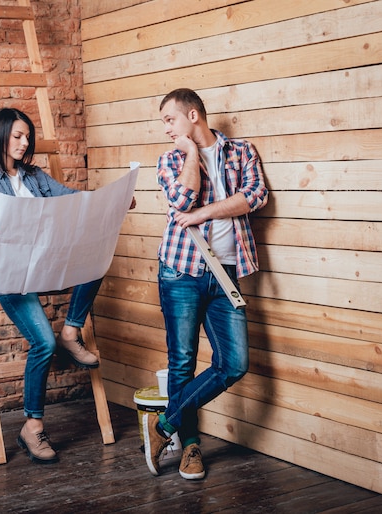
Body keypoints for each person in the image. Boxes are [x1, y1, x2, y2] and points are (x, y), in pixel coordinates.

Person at [0, 107, 123, 464]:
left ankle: (73, 329)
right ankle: (32, 426)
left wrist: (111, 203)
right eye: (17, 136)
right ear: (1, 136)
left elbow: (71, 199)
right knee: (43, 344)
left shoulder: (35, 177)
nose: (24, 142)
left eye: (27, 137)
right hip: (8, 275)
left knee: (96, 260)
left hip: (43, 265)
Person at [143, 88, 268, 480]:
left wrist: (206, 214)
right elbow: (182, 199)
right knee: (181, 363)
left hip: (225, 272)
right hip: (179, 271)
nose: (165, 129)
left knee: (233, 363)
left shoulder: (241, 152)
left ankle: (164, 425)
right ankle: (191, 448)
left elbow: (256, 196)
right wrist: (192, 153)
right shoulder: (171, 159)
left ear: (193, 115)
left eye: (170, 120)